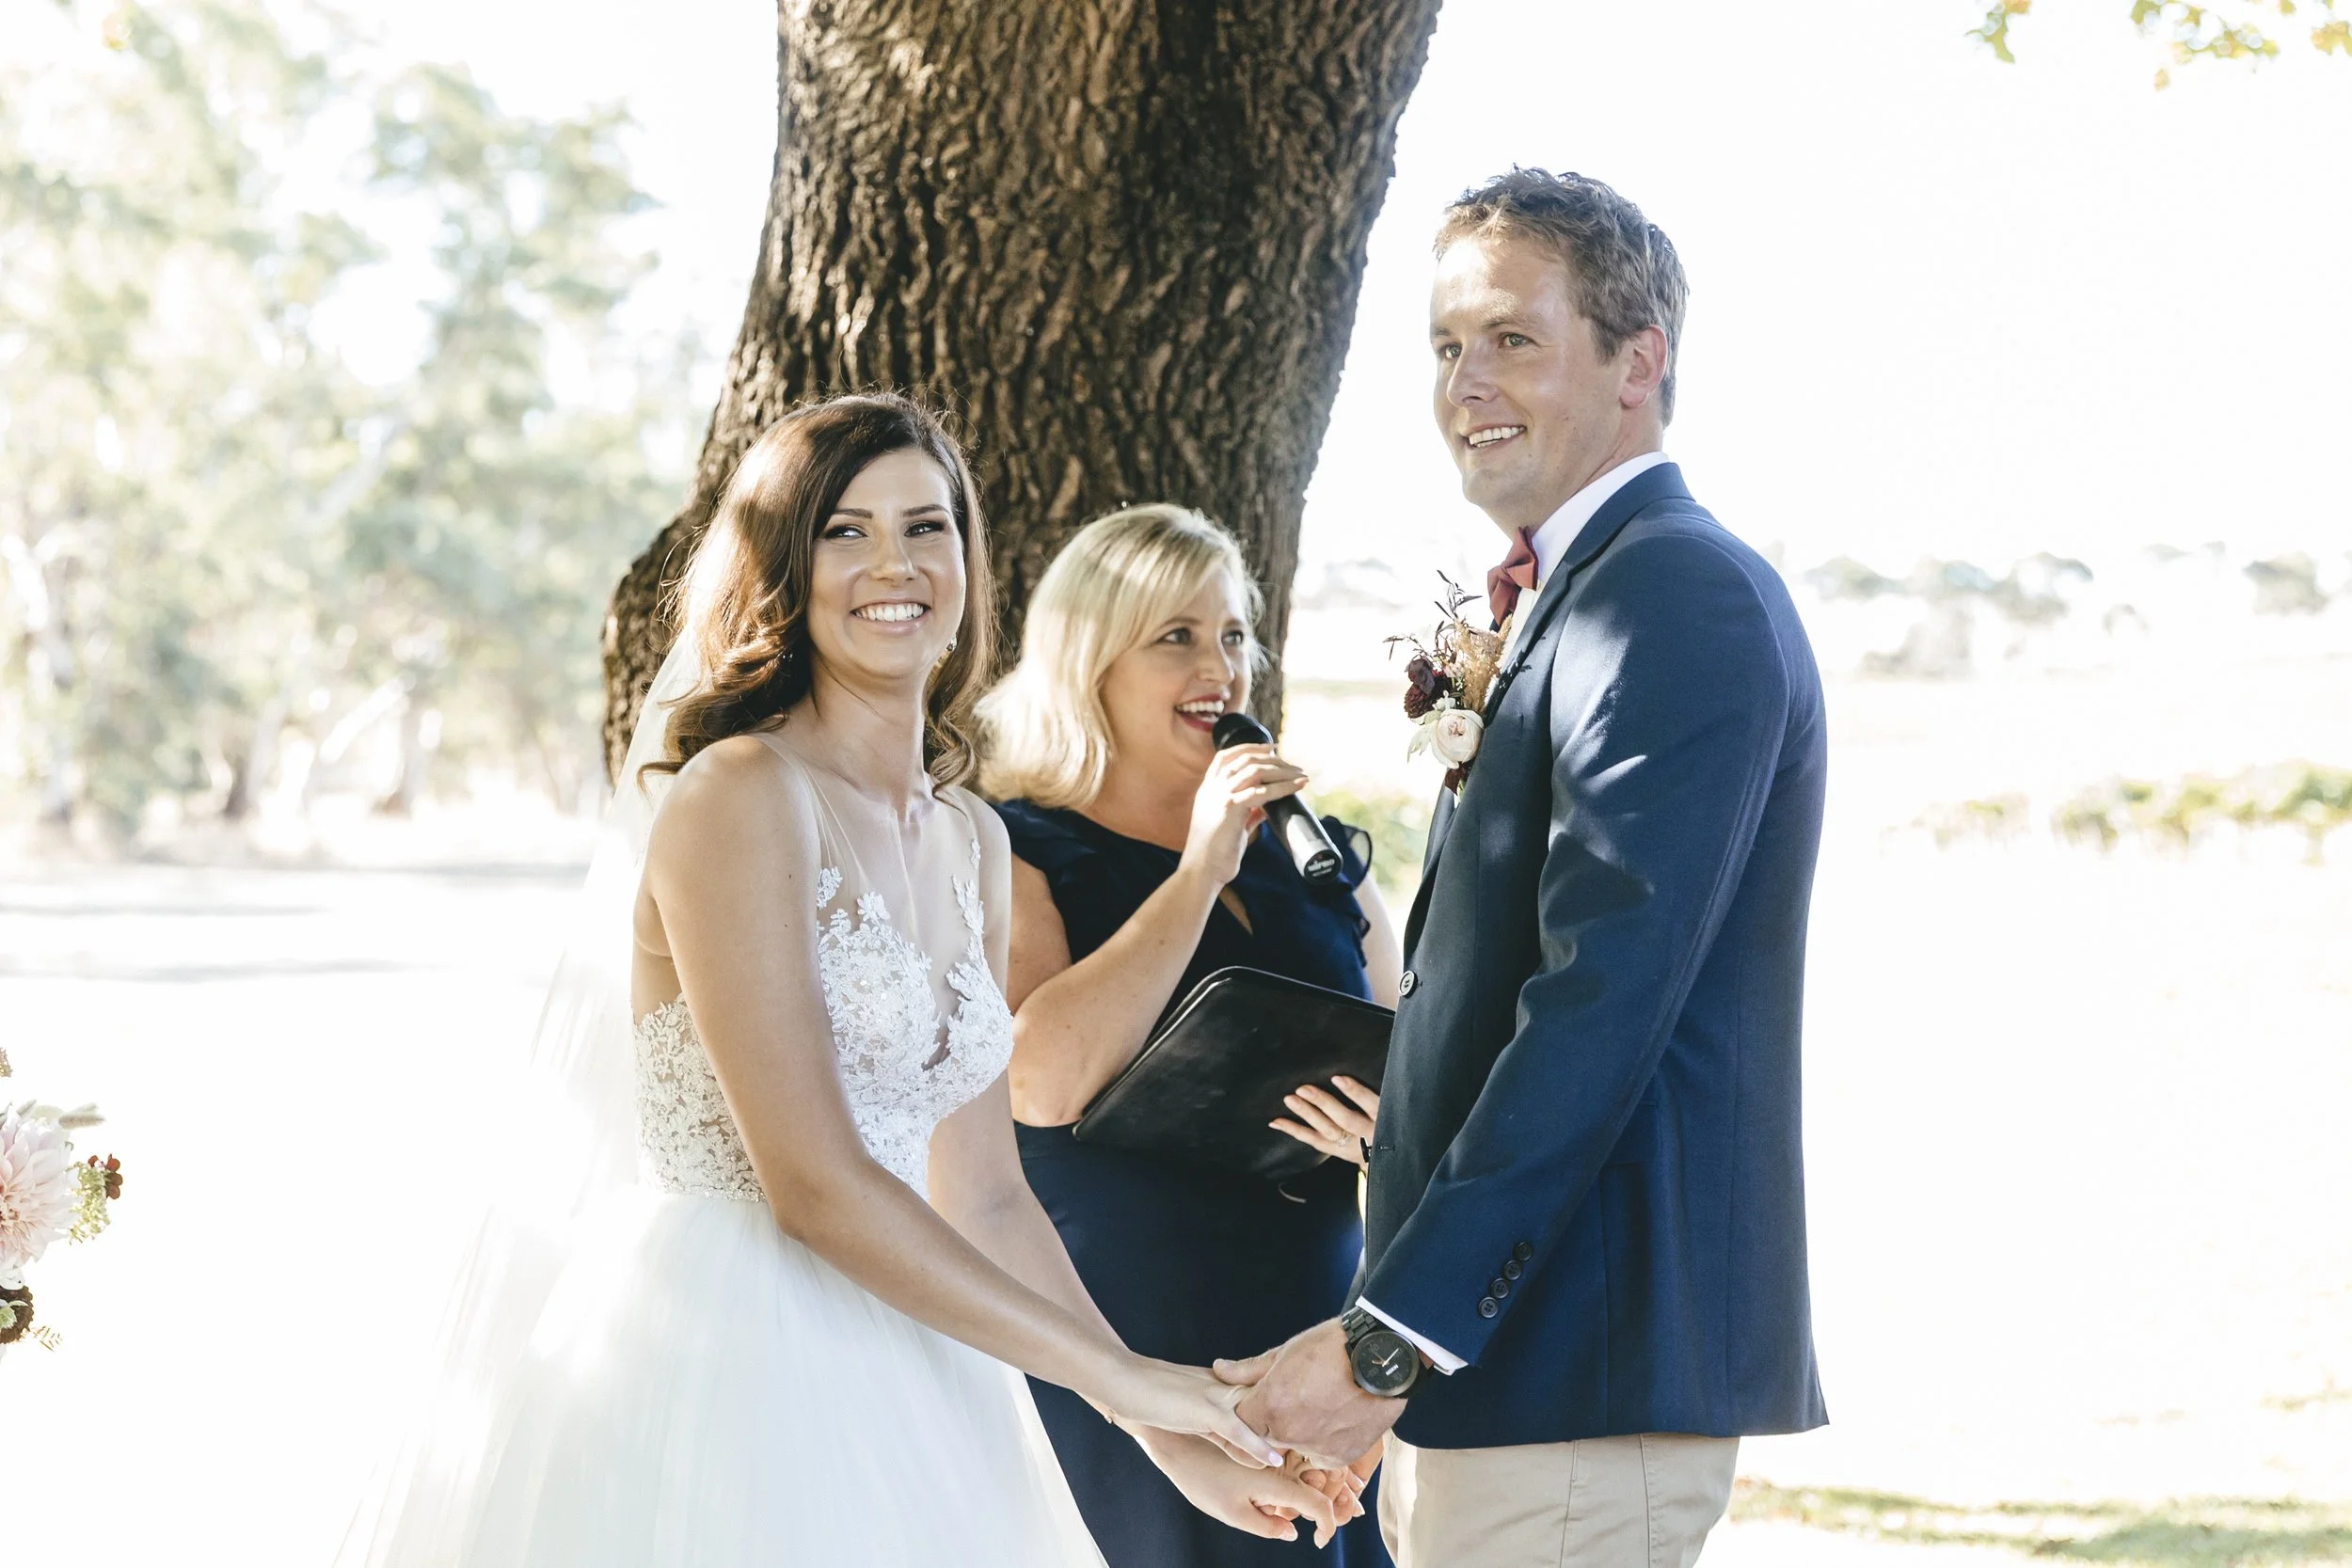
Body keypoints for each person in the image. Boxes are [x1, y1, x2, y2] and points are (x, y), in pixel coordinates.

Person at [341, 396, 1342, 1568]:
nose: (894, 564)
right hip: (725, 1365)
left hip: (924, 1366)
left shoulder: (971, 836)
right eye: (844, 531)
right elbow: (812, 1184)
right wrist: (1127, 1372)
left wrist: (1162, 1434)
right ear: (785, 567)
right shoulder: (739, 796)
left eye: (926, 526)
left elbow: (986, 1198)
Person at [1216, 170, 1831, 1566]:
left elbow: (1599, 1005)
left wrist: (1386, 1338)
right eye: (1444, 346)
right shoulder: (1587, 590)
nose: (1464, 383)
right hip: (1520, 1369)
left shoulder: (1669, 593)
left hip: (1583, 1354)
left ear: (1639, 361)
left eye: (1510, 338)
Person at [977, 504, 1402, 1568]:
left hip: (1305, 1331)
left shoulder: (1318, 862)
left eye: (1231, 635)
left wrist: (1394, 1132)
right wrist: (1199, 868)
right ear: (1089, 663)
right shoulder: (1019, 848)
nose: (1219, 665)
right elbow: (1042, 1080)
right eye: (1176, 635)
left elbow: (1413, 1058)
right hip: (1124, 1337)